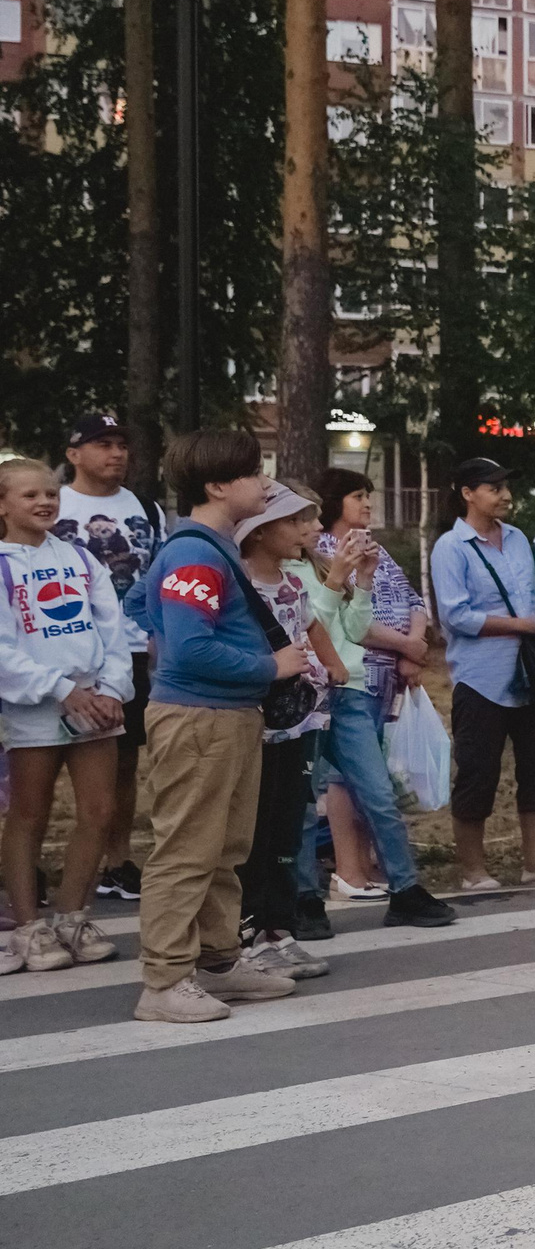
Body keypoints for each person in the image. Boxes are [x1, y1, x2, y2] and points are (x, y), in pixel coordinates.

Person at [120, 431, 302, 1022]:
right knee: (187, 851)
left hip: (225, 716)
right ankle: (165, 980)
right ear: (218, 486)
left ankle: (218, 962)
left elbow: (145, 610)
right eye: (254, 473)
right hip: (199, 718)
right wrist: (267, 666)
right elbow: (190, 648)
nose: (266, 483)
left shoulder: (207, 550)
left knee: (224, 848)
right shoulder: (195, 554)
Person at [0, 457, 139, 973]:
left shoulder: (81, 558)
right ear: (2, 505)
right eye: (29, 495)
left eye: (50, 494)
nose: (44, 502)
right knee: (30, 813)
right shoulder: (2, 563)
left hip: (96, 703)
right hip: (37, 706)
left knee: (100, 811)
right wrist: (58, 689)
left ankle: (70, 917)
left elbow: (114, 629)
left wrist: (111, 688)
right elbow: (3, 647)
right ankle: (28, 928)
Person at [311, 470, 454, 930]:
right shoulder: (325, 554)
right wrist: (403, 645)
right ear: (335, 502)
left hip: (391, 675)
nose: (368, 503)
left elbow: (414, 600)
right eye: (358, 495)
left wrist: (415, 644)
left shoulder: (376, 549)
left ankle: (381, 872)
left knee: (373, 782)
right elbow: (348, 621)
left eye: (369, 495)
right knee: (342, 779)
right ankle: (349, 870)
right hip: (355, 673)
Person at [230, 480, 346, 982]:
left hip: (298, 718)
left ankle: (279, 927)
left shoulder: (294, 583)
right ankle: (248, 930)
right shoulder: (237, 587)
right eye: (298, 521)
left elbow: (311, 626)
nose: (313, 529)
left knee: (286, 822)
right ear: (258, 531)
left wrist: (331, 666)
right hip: (256, 723)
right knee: (254, 827)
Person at [431, 457, 535, 890]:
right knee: (477, 771)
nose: (505, 495)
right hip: (480, 677)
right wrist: (519, 625)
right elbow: (455, 616)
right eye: (493, 487)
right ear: (468, 494)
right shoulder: (452, 547)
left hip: (530, 672)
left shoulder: (520, 538)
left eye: (506, 486)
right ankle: (473, 871)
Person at [54, 413, 161, 903]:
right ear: (74, 453)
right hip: (65, 649)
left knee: (122, 757)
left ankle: (117, 861)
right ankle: (39, 866)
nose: (116, 453)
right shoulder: (55, 504)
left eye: (121, 444)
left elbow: (156, 573)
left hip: (130, 648)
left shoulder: (146, 508)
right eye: (103, 444)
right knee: (47, 760)